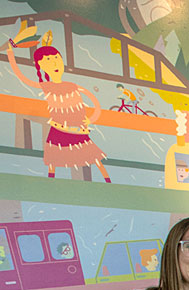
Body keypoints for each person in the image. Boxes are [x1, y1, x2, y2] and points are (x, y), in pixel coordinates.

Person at [5, 24, 111, 182]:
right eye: (48, 61)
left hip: (78, 129)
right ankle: (52, 182)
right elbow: (22, 77)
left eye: (56, 59)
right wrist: (10, 51)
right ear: (41, 66)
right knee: (54, 160)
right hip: (59, 129)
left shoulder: (73, 87)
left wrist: (91, 119)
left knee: (93, 157)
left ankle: (107, 181)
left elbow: (95, 104)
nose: (55, 64)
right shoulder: (46, 87)